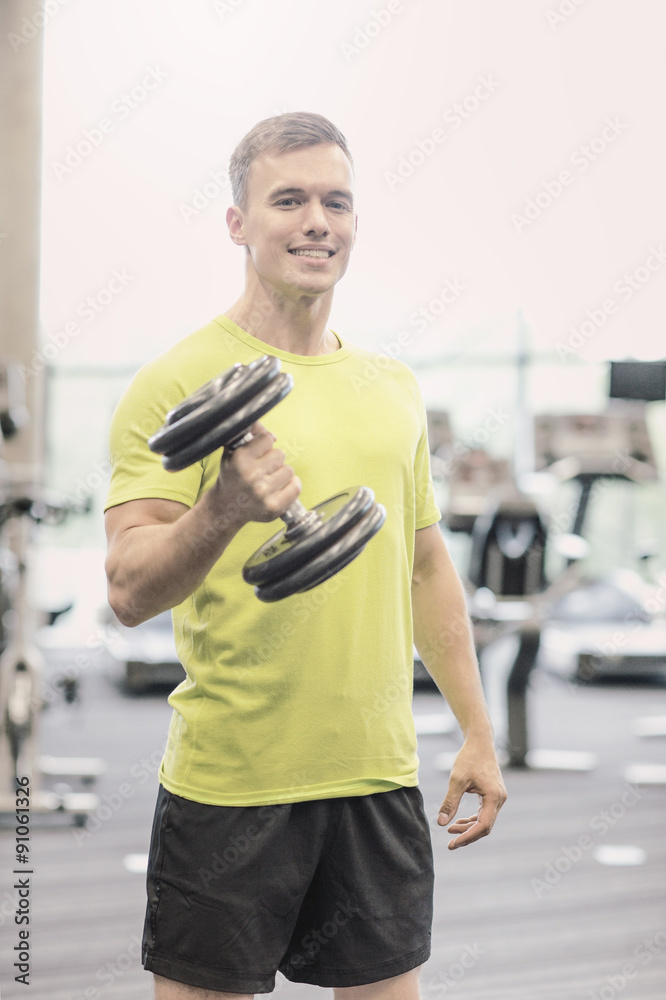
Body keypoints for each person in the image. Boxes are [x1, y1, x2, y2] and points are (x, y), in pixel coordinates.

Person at [104, 112, 507, 1000]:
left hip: (375, 773)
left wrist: (477, 729)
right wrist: (225, 509)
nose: (317, 221)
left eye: (337, 202)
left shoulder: (391, 386)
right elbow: (129, 588)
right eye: (288, 199)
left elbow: (424, 565)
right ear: (237, 222)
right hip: (234, 780)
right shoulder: (177, 383)